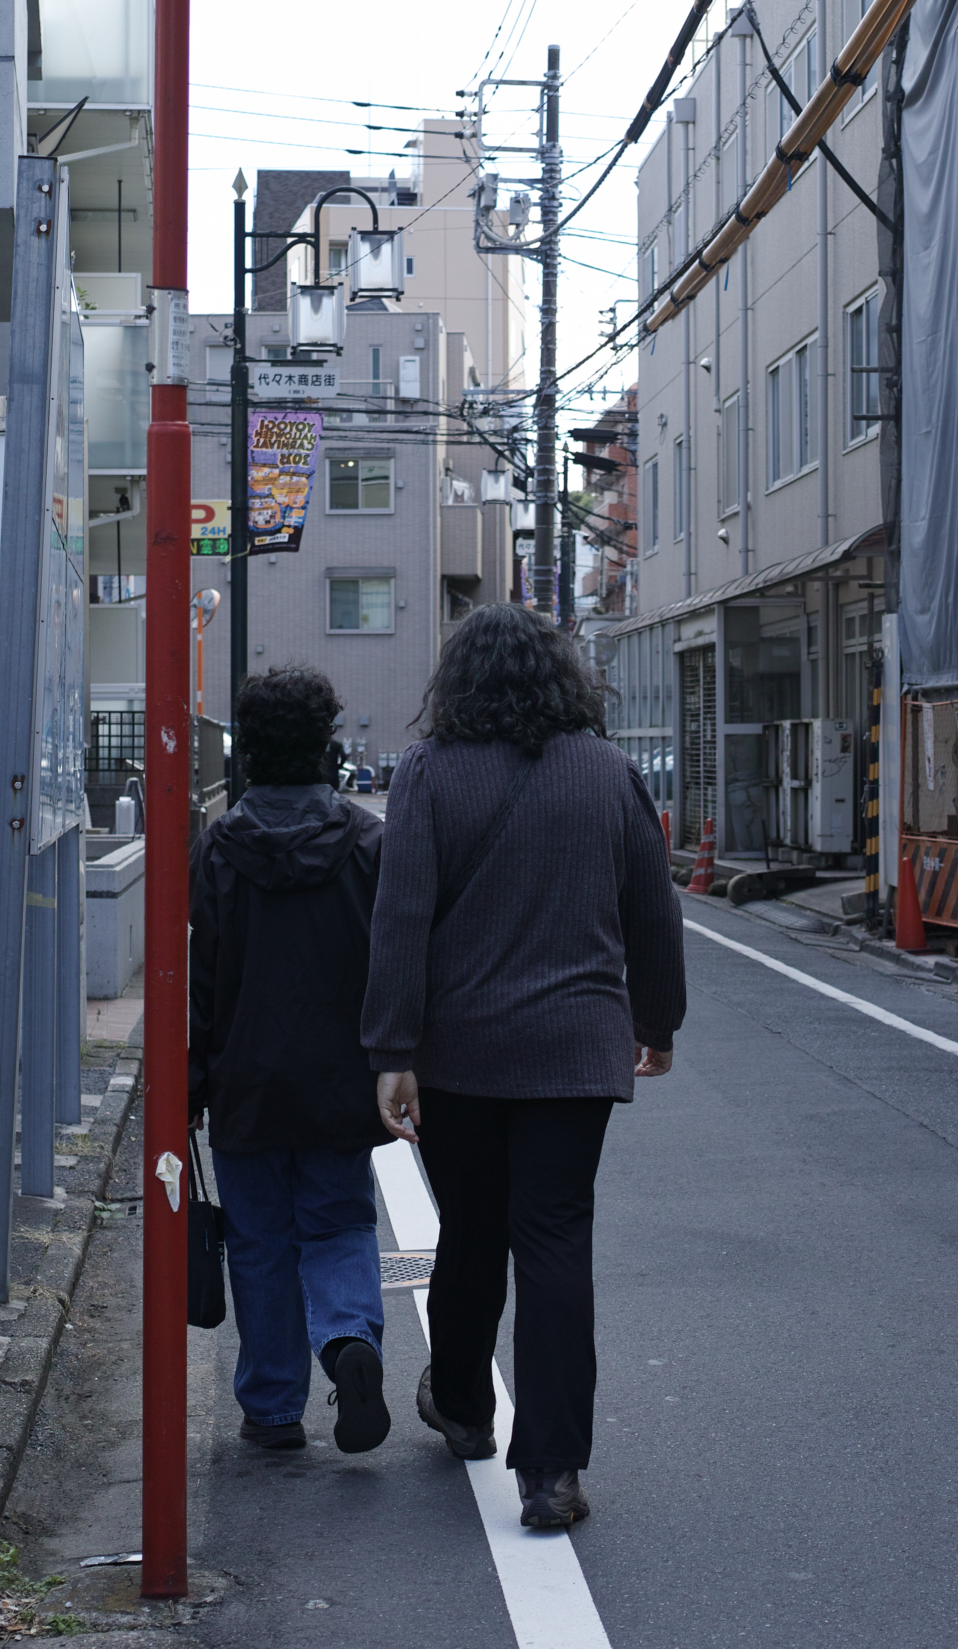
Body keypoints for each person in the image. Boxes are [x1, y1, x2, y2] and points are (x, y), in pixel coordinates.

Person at [362, 604, 686, 1530]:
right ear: (565, 676)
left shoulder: (428, 774)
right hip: (576, 1050)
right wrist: (657, 1020)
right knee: (553, 1241)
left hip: (458, 1053)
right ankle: (550, 1472)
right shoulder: (608, 773)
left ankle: (461, 1401)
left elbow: (401, 915)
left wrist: (392, 1049)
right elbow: (652, 914)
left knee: (470, 1225)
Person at [189, 665, 390, 1453]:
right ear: (325, 744)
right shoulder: (367, 841)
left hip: (246, 1078)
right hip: (341, 1080)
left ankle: (273, 1405)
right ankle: (348, 1340)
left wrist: (193, 1081)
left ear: (251, 749)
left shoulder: (219, 848)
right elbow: (391, 963)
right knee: (338, 1221)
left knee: (260, 1239)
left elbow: (203, 980)